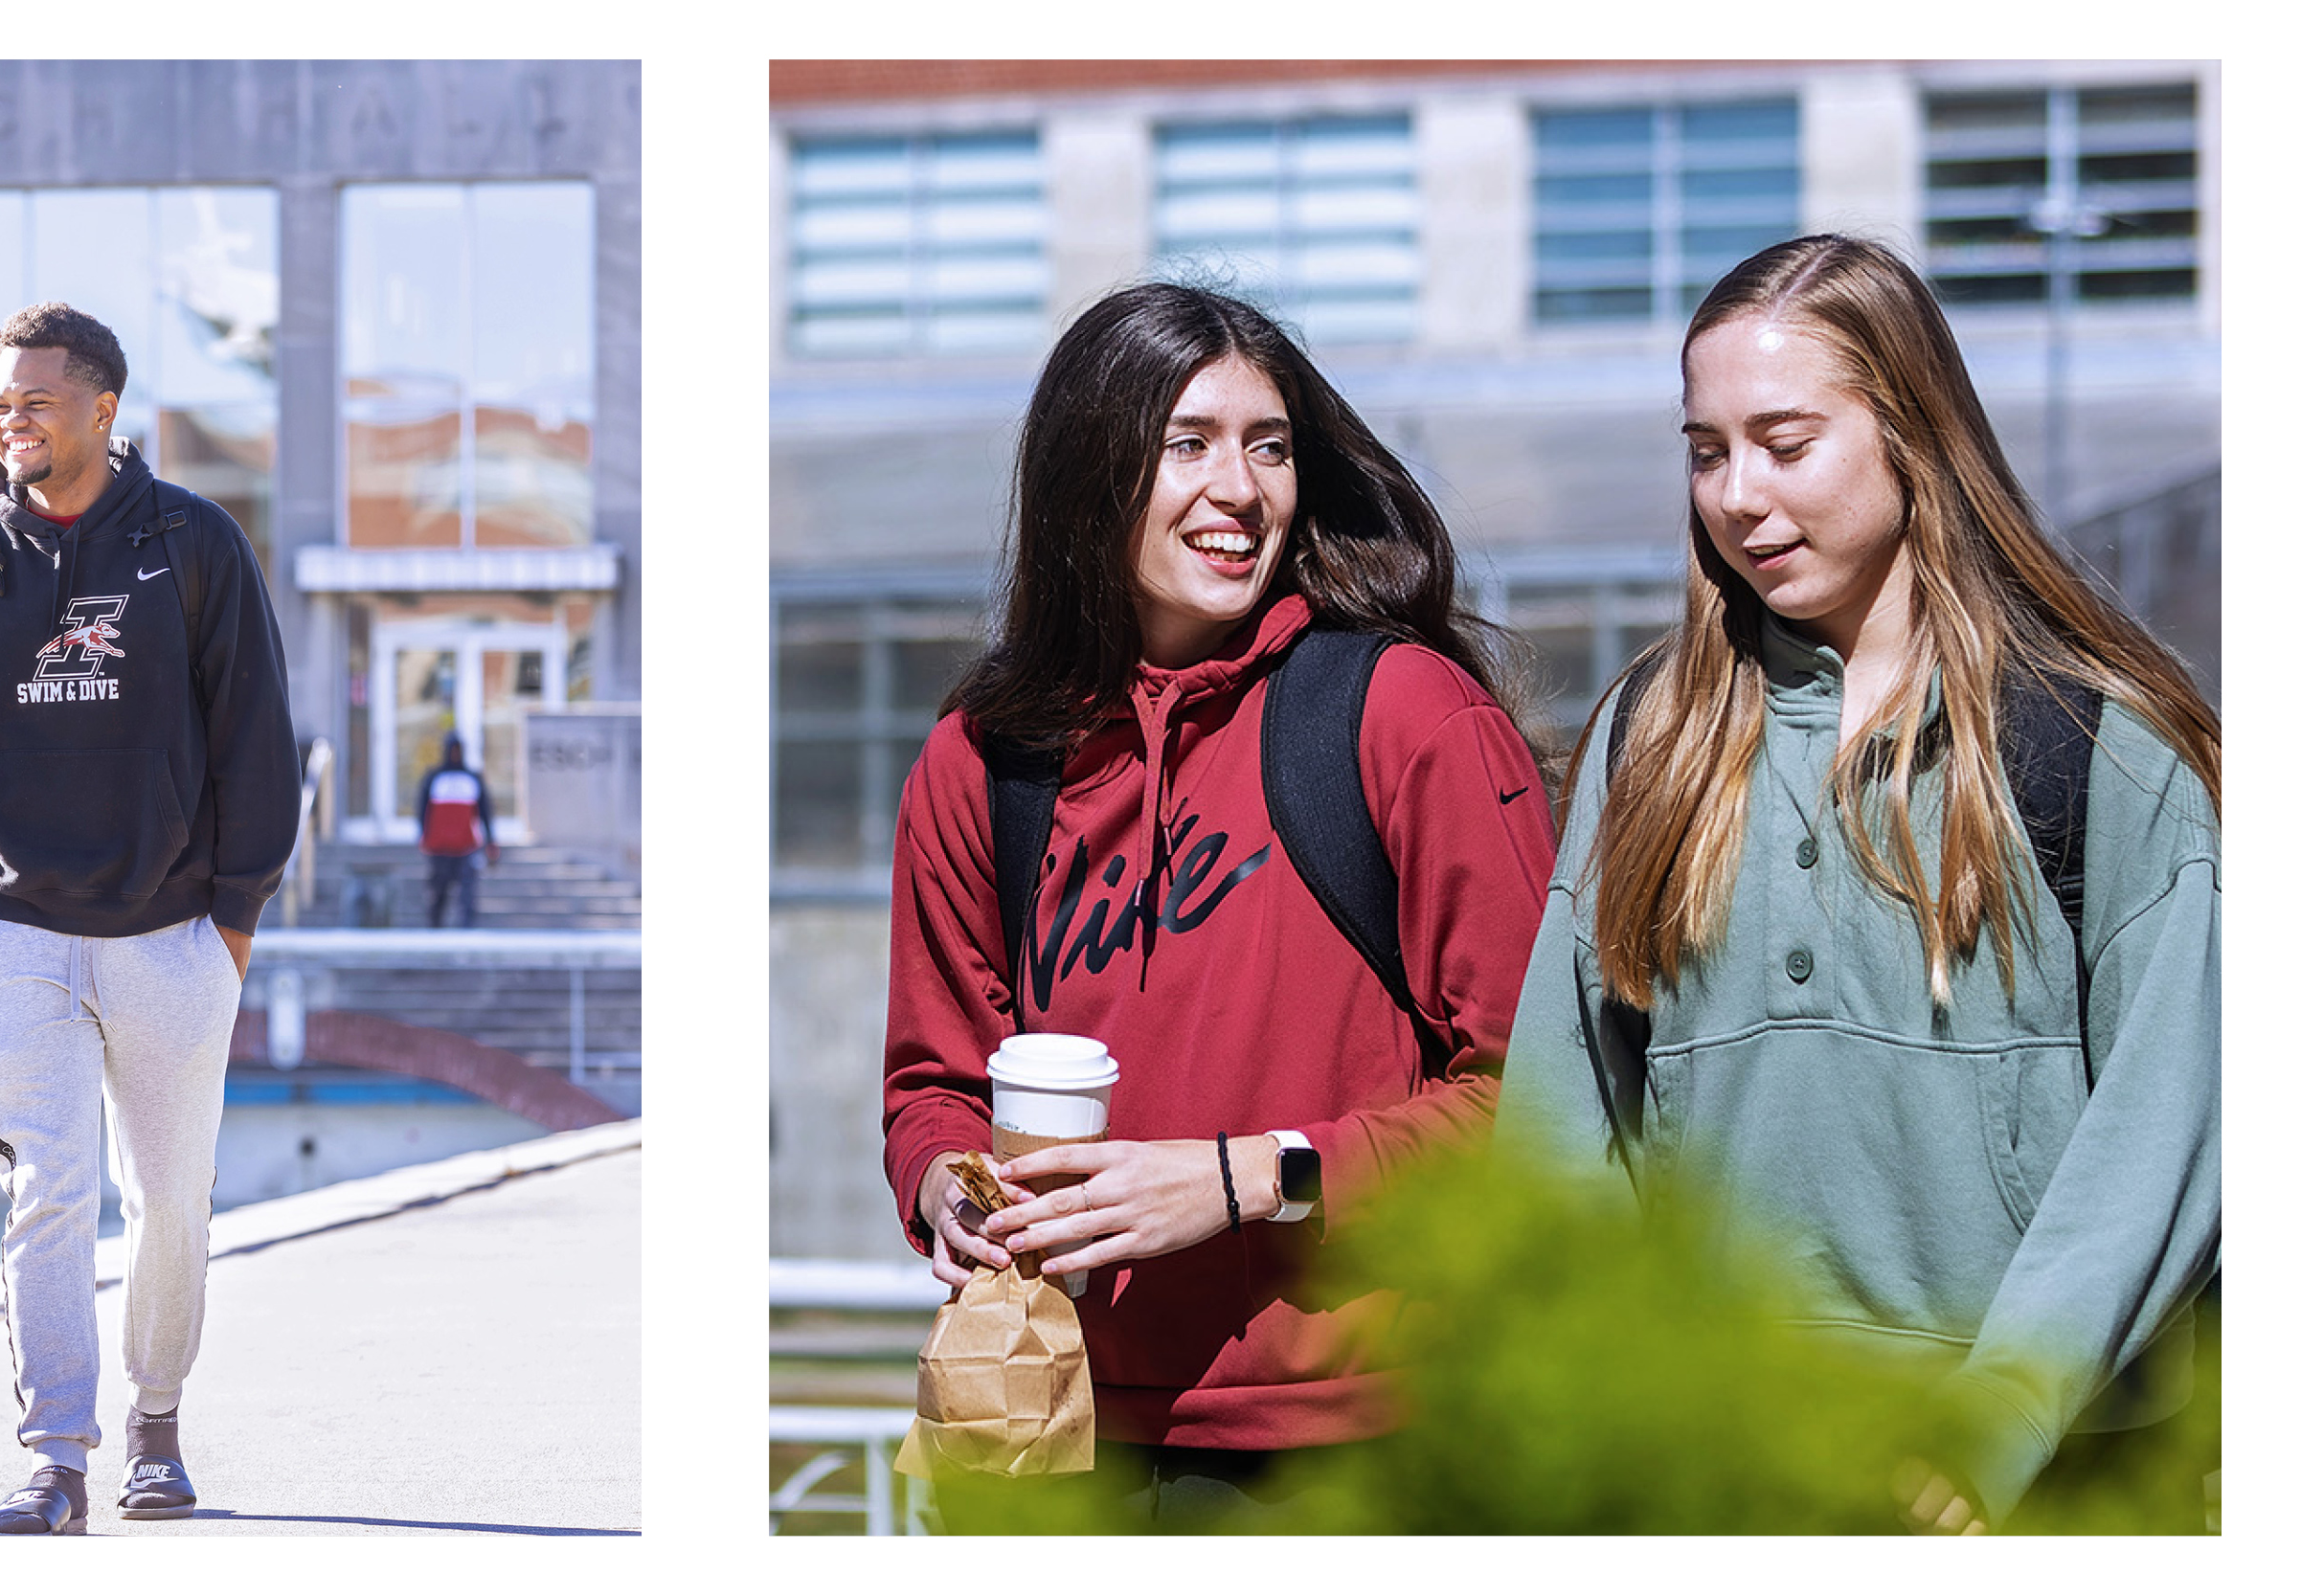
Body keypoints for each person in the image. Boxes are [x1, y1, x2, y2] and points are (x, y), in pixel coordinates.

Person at [1494, 235, 2220, 1533]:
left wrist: (1995, 1411)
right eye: (1706, 449)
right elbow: (1565, 1119)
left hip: (2047, 1473)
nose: (1736, 495)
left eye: (1785, 441)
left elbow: (2171, 1129)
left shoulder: (2094, 741)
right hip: (1722, 1456)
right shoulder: (1648, 734)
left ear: (1911, 434)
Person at [881, 281, 1556, 1531]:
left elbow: (1530, 1103)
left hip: (1348, 1442)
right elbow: (930, 1081)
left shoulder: (1408, 718)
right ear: (1092, 473)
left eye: (1270, 444)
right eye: (1187, 442)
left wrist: (1250, 1178)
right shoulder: (983, 757)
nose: (1239, 489)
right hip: (1040, 1428)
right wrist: (943, 1185)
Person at [0, 302, 300, 1536]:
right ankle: (54, 1458)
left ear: (104, 409)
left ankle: (156, 1423)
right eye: (0, 400)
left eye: (37, 399)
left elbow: (257, 740)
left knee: (169, 1197)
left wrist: (230, 920)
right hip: (13, 937)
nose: (12, 419)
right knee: (49, 1190)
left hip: (172, 935)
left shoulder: (193, 543)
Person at [414, 732, 499, 927]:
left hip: (465, 846)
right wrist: (422, 835)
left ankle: (467, 930)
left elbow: (485, 811)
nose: (454, 754)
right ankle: (434, 931)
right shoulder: (434, 778)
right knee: (438, 894)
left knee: (467, 895)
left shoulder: (472, 779)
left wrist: (490, 840)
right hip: (439, 847)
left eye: (457, 750)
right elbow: (422, 809)